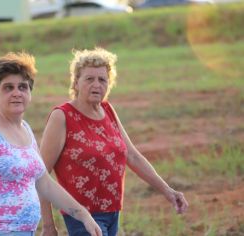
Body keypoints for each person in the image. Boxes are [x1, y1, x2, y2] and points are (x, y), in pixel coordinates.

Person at [39, 47, 189, 236]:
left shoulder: (107, 110)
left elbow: (132, 156)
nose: (96, 84)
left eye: (102, 79)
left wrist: (168, 191)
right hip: (82, 216)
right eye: (89, 79)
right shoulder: (62, 116)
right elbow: (40, 173)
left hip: (113, 213)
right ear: (76, 83)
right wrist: (48, 225)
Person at [0, 52, 102, 236]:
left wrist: (82, 214)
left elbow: (44, 183)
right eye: (8, 88)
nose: (16, 93)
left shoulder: (26, 129)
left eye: (23, 87)